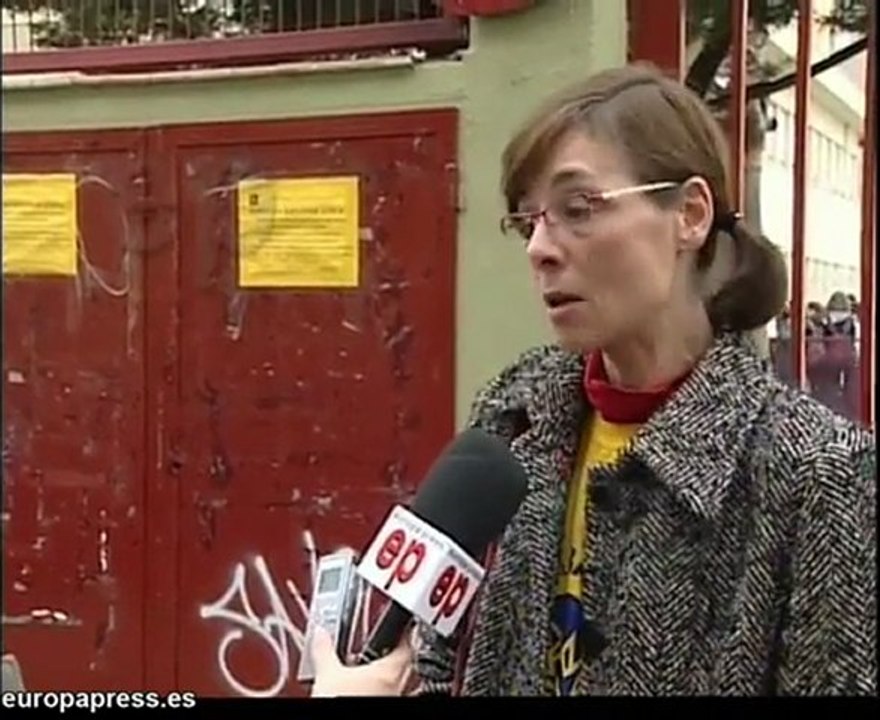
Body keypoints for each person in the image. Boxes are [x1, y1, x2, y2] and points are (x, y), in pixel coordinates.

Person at [309, 62, 876, 696]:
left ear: (689, 214)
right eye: (529, 222)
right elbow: (444, 663)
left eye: (578, 208)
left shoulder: (818, 473)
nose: (539, 249)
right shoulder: (512, 417)